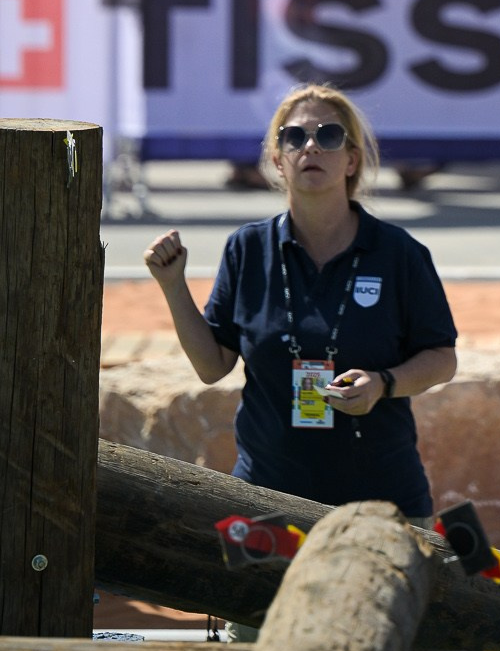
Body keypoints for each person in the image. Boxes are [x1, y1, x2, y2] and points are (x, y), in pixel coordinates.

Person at [143, 83, 457, 524]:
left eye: (328, 136)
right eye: (294, 137)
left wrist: (383, 383)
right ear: (277, 159)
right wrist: (173, 286)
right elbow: (212, 366)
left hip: (381, 503)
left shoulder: (398, 252)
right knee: (258, 597)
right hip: (265, 501)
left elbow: (442, 359)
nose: (310, 146)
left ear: (351, 159)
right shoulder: (248, 248)